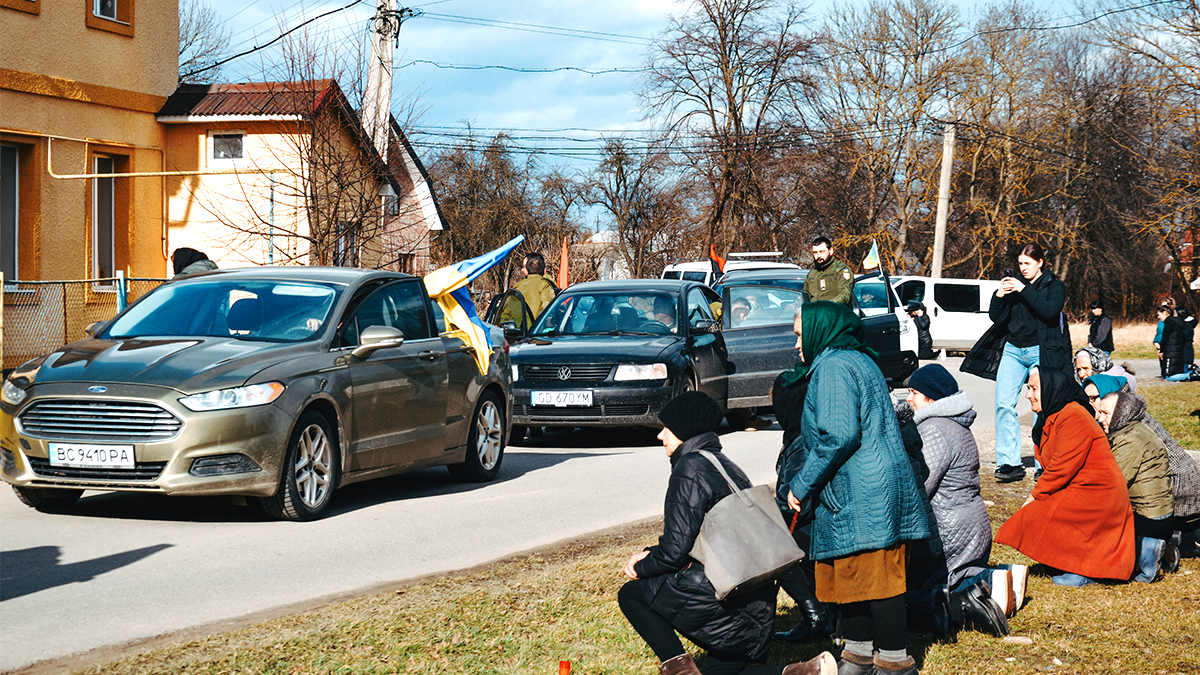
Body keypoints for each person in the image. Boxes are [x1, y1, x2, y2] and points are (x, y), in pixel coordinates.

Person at [618, 391, 836, 675]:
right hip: (757, 600)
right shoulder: (724, 464)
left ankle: (680, 671)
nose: (660, 436)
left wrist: (641, 564)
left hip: (725, 596)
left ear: (684, 429)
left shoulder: (689, 468)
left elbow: (674, 551)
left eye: (666, 428)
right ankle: (808, 672)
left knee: (632, 595)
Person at [784, 301, 930, 675]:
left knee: (877, 577)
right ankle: (859, 656)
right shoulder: (858, 360)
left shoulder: (832, 368)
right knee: (853, 573)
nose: (796, 344)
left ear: (820, 330)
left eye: (800, 334)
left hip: (863, 488)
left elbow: (838, 435)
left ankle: (896, 664)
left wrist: (801, 483)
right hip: (872, 483)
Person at [901, 364, 1023, 631]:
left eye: (914, 393)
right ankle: (1003, 578)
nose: (908, 398)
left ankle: (994, 580)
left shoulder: (933, 429)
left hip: (948, 526)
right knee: (958, 575)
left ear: (931, 398)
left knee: (936, 590)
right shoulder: (955, 425)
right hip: (970, 523)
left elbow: (922, 482)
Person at [994, 367, 1135, 586]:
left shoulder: (1073, 415)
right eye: (1028, 388)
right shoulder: (1052, 416)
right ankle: (1066, 563)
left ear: (1051, 389)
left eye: (1033, 389)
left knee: (1036, 512)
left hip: (1098, 495)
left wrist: (1032, 498)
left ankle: (1089, 572)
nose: (1028, 394)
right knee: (1041, 512)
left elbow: (1061, 467)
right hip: (1079, 488)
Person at [961, 243, 1070, 484]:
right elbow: (994, 316)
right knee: (1003, 404)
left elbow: (1050, 312)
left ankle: (1044, 463)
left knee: (1040, 407)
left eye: (1028, 264)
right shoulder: (1015, 283)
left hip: (1039, 351)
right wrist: (999, 295)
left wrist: (1024, 289)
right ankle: (1008, 463)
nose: (1023, 268)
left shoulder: (1054, 285)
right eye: (1020, 264)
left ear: (1040, 262)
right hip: (1012, 350)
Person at [1095, 391, 1176, 582]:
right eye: (1099, 412)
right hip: (1160, 514)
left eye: (1105, 413)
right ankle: (1160, 546)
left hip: (1149, 518)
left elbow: (1112, 483)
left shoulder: (1129, 440)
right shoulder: (1135, 429)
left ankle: (1146, 549)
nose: (1100, 418)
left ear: (1121, 412)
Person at [499, 252, 558, 329]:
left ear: (527, 269)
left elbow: (505, 312)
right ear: (544, 270)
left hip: (515, 331)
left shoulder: (517, 286)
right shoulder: (545, 285)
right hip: (535, 332)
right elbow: (548, 309)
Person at [803, 236, 853, 306]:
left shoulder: (840, 269)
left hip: (836, 314)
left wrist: (826, 306)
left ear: (831, 251)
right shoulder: (812, 273)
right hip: (816, 315)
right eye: (815, 252)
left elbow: (845, 296)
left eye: (822, 252)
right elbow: (804, 298)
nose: (818, 256)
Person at [1161, 306, 1195, 379]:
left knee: (1179, 374)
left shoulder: (1183, 326)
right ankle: (1191, 373)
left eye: (1175, 314)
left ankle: (1192, 373)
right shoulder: (1187, 325)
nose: (1174, 316)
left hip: (1185, 352)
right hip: (1185, 351)